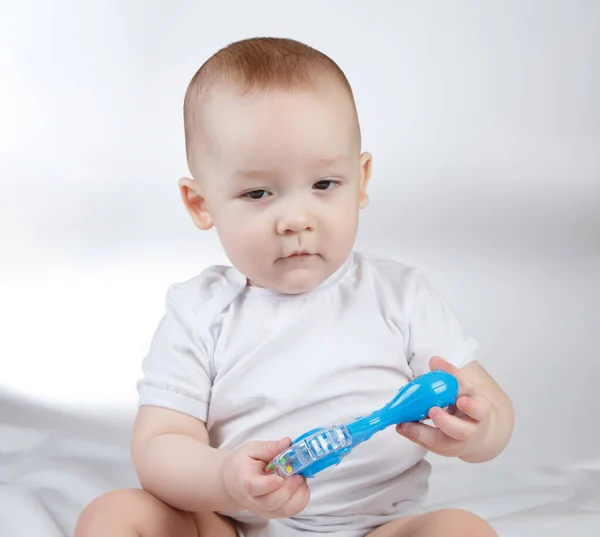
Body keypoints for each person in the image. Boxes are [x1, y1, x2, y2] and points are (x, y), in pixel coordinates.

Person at [75, 37, 514, 537]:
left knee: (462, 529)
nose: (296, 219)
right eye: (258, 193)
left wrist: (480, 430)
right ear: (201, 204)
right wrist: (224, 479)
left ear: (361, 178)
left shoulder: (401, 297)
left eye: (324, 184)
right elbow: (159, 447)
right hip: (233, 525)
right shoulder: (200, 311)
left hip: (377, 529)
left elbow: (489, 404)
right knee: (113, 516)